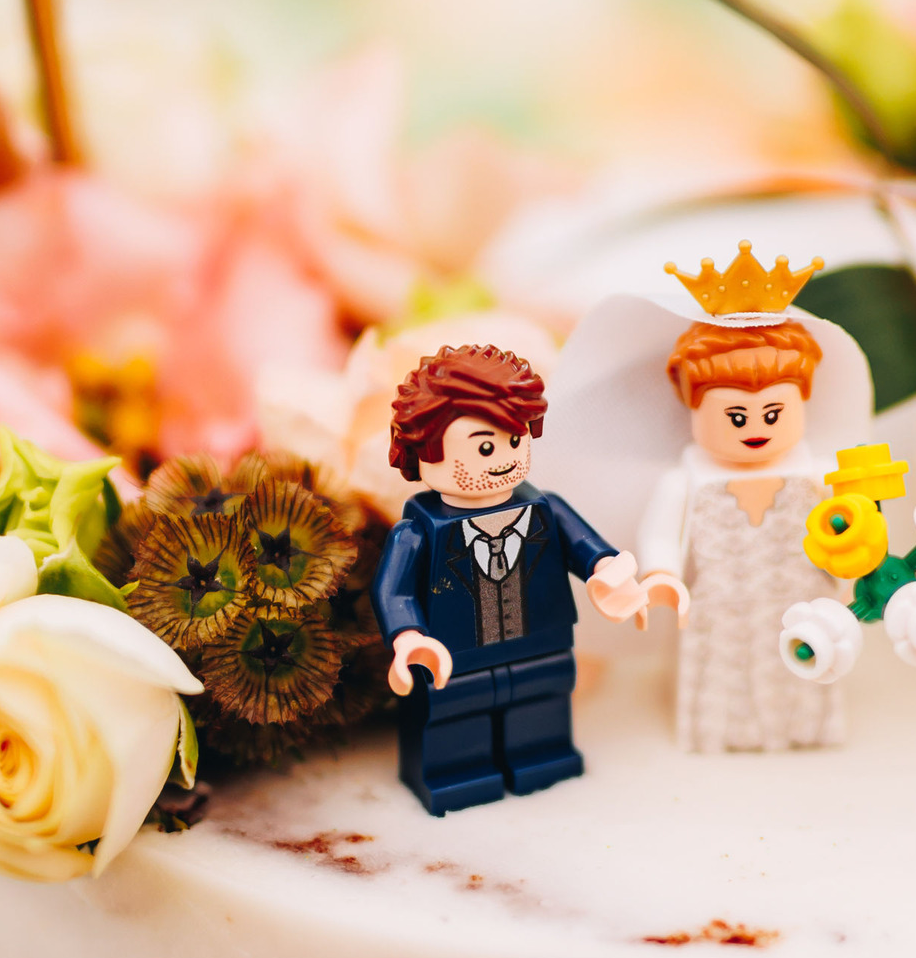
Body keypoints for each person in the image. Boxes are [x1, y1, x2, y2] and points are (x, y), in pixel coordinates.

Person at [533, 245, 874, 754]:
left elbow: (849, 526)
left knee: (802, 667)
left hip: (800, 599)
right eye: (736, 416)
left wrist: (854, 557)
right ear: (693, 406)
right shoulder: (688, 478)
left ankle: (804, 728)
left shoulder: (815, 474)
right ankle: (721, 733)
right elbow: (661, 532)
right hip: (719, 606)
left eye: (773, 412)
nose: (755, 428)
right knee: (725, 671)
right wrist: (664, 572)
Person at [371, 343, 684, 814]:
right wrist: (409, 636)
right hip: (456, 658)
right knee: (454, 715)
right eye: (482, 446)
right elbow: (392, 589)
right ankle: (456, 772)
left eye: (514, 441)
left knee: (543, 701)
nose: (501, 459)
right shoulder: (418, 531)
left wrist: (614, 578)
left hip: (541, 642)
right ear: (424, 450)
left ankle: (540, 755)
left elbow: (590, 552)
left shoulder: (545, 508)